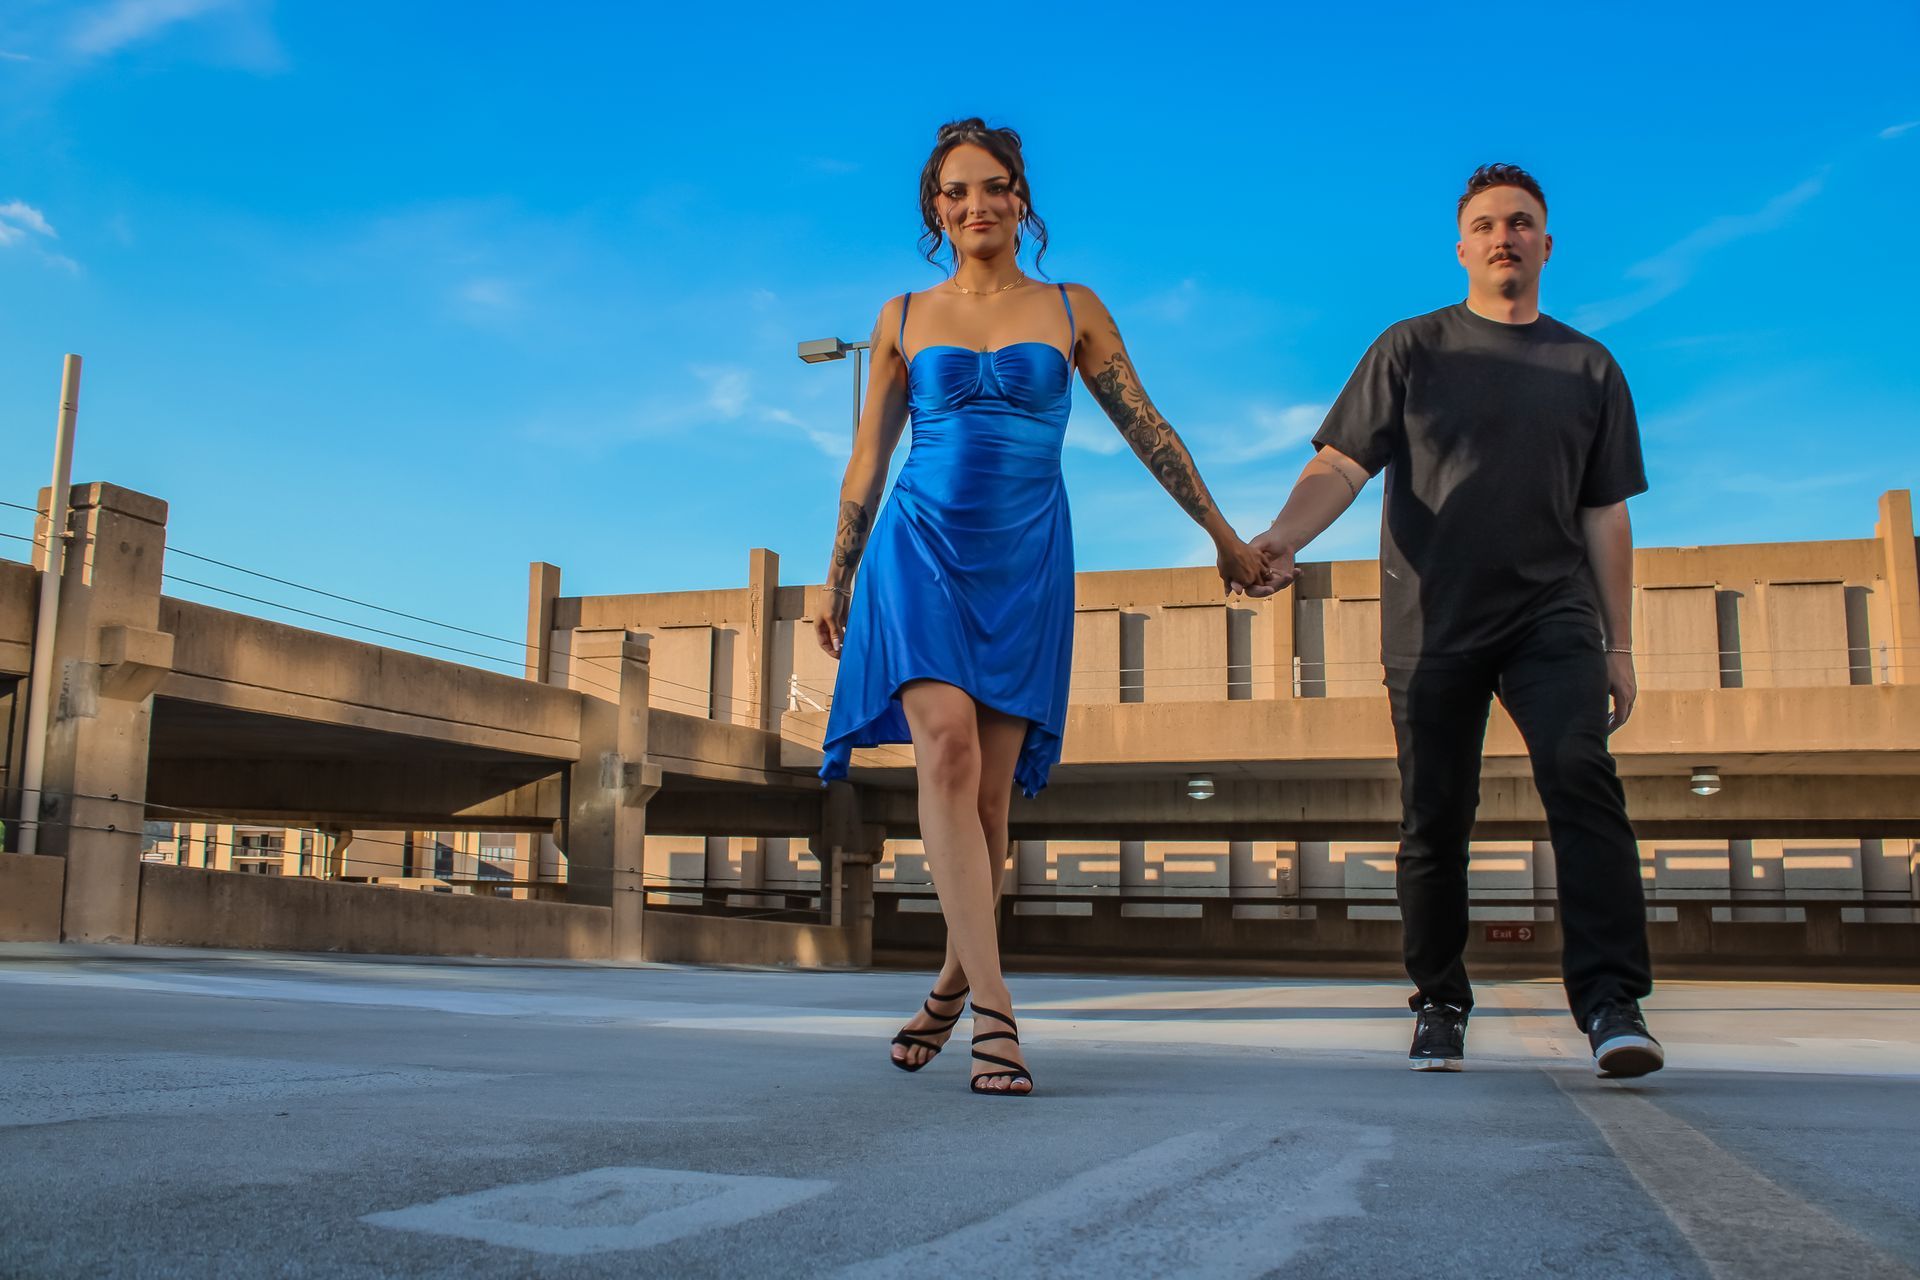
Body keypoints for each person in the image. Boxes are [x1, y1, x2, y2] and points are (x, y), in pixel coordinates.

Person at [816, 118, 1267, 1095]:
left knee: (987, 802)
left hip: (1025, 557)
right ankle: (996, 1014)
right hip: (920, 546)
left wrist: (1224, 537)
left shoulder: (1072, 308)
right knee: (946, 748)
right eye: (954, 192)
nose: (974, 204)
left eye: (993, 186)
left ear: (1023, 198)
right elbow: (868, 456)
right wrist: (838, 572)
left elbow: (1149, 426)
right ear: (935, 210)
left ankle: (946, 984)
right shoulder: (901, 315)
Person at [1247, 163, 1664, 1078]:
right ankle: (1439, 1000)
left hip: (1551, 615)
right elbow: (1342, 465)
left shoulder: (1589, 366)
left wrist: (1619, 645)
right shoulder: (1411, 349)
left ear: (1546, 244)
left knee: (1580, 775)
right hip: (1432, 622)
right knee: (1436, 818)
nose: (1503, 236)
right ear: (1462, 246)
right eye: (1485, 224)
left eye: (1520, 222)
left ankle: (1610, 1003)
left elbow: (1606, 512)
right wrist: (1282, 536)